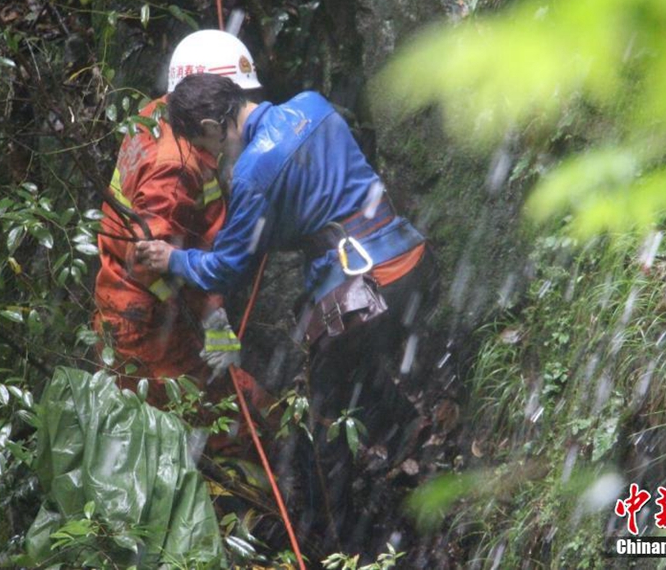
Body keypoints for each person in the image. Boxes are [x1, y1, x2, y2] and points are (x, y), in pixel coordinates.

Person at [135, 73, 440, 549]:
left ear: (216, 125)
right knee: (358, 375)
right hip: (410, 262)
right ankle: (409, 431)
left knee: (319, 421)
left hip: (366, 297)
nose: (212, 158)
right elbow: (317, 194)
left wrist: (172, 258)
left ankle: (335, 541)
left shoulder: (254, 173)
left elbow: (227, 268)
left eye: (206, 145)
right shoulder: (314, 105)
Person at [94, 30, 266, 409]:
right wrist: (211, 315)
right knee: (234, 413)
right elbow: (149, 260)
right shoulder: (174, 170)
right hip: (147, 321)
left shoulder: (158, 113)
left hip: (133, 305)